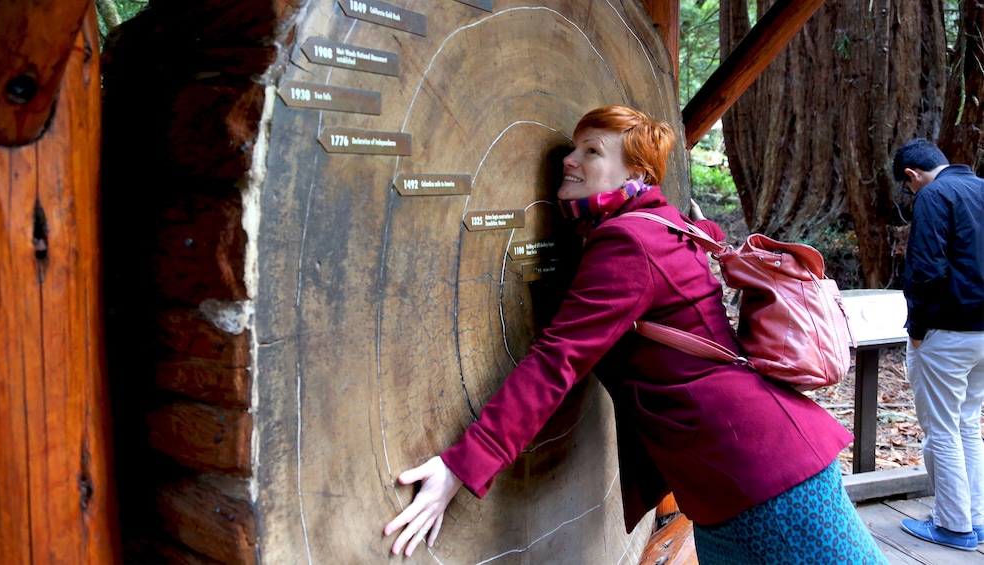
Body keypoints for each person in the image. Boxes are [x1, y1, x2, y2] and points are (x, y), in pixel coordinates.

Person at [384, 106, 887, 563]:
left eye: (592, 152)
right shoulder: (659, 222)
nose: (569, 160)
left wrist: (460, 467)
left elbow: (556, 360)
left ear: (636, 173)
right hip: (735, 474)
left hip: (760, 475)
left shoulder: (627, 240)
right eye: (574, 147)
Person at [891, 138, 984, 551]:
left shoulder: (933, 195)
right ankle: (975, 518)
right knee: (968, 424)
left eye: (907, 186)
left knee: (941, 429)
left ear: (911, 176)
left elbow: (925, 269)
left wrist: (917, 327)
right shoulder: (981, 187)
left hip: (947, 333)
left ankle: (952, 525)